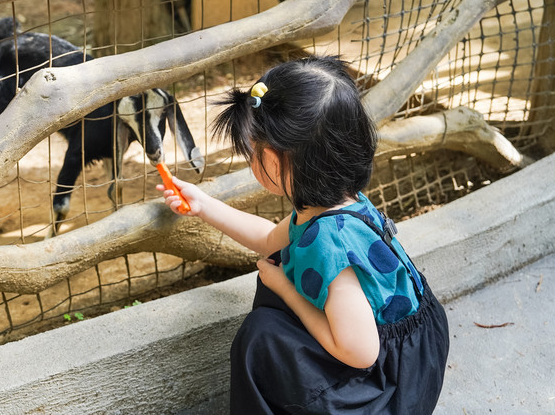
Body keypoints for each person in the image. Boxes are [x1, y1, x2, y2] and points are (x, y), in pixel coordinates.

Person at [158, 56, 449, 414]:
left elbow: (360, 352)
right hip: (411, 353)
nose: (250, 164)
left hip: (392, 389)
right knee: (280, 268)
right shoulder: (335, 203)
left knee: (260, 337)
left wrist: (285, 290)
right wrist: (203, 204)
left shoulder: (328, 241)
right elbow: (268, 240)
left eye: (253, 154)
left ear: (278, 161)